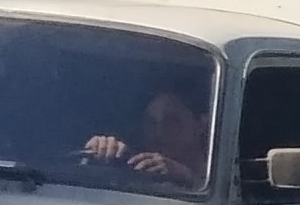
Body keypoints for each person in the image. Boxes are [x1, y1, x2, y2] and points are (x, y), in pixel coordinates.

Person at [81, 80, 211, 188]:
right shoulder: (132, 165)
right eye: (151, 123)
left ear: (201, 124)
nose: (159, 132)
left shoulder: (219, 176)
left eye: (171, 122)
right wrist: (99, 154)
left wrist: (187, 177)